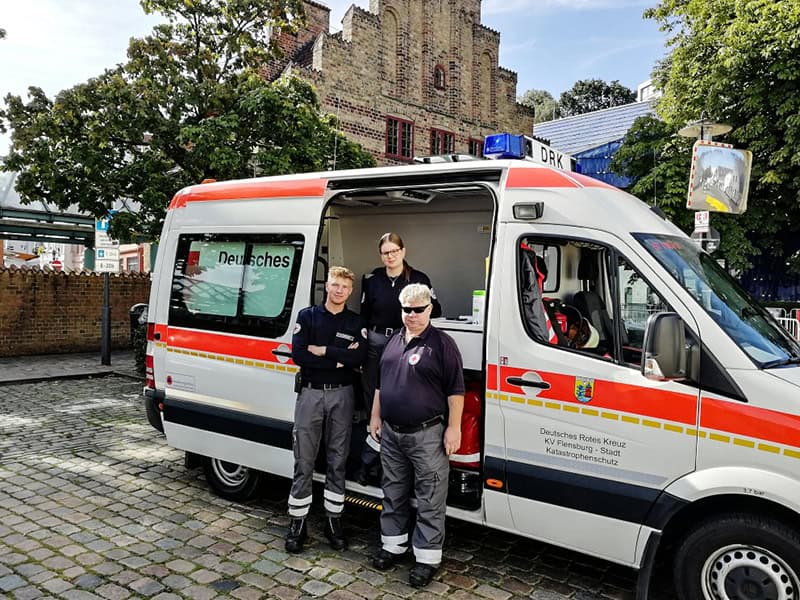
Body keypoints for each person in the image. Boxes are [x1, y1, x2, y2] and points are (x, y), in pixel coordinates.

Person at [368, 283, 464, 588]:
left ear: (430, 309)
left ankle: (426, 558)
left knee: (430, 497)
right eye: (406, 309)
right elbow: (382, 384)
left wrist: (454, 427)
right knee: (393, 491)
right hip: (392, 433)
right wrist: (375, 415)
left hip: (427, 434)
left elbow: (456, 391)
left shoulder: (443, 344)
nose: (412, 315)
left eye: (418, 310)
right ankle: (392, 546)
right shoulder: (393, 341)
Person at [285, 266, 367, 553]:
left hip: (342, 397)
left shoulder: (356, 321)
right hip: (310, 394)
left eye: (344, 287)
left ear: (350, 291)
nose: (338, 290)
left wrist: (324, 351)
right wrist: (338, 361)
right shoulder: (307, 317)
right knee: (303, 460)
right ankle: (297, 523)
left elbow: (360, 355)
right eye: (334, 285)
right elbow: (298, 354)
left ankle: (334, 521)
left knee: (337, 459)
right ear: (327, 286)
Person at [356, 232, 442, 484]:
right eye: (385, 252)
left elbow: (435, 310)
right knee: (374, 399)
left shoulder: (419, 279)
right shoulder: (372, 279)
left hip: (406, 344)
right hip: (376, 343)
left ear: (403, 252)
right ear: (380, 255)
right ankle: (371, 464)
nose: (390, 256)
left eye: (394, 251)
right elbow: (364, 315)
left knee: (396, 401)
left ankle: (384, 462)